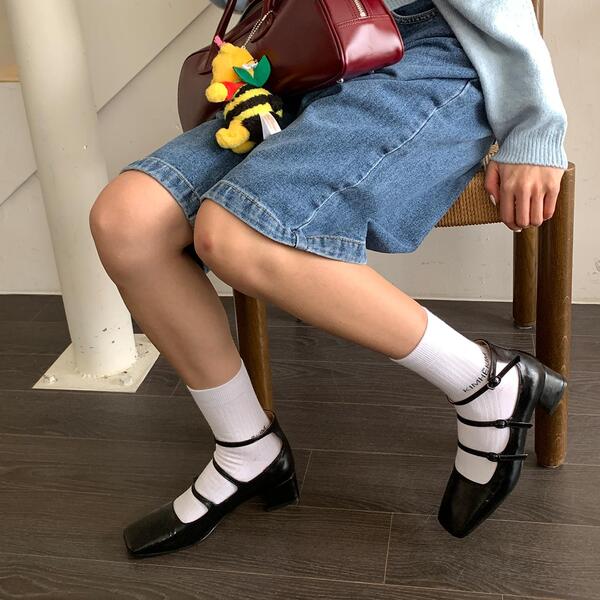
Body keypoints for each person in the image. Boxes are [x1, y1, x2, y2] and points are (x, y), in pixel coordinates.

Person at [89, 0, 569, 557]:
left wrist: (534, 125)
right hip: (302, 61)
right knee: (126, 222)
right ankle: (246, 448)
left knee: (239, 234)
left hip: (428, 55)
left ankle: (484, 380)